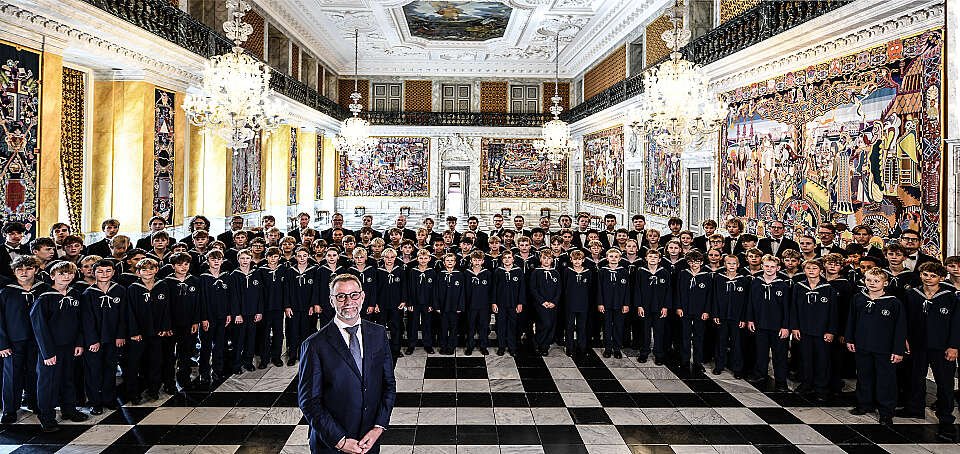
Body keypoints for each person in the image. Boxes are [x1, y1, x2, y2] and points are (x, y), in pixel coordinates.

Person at [297, 273, 396, 454]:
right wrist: (340, 441)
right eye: (341, 296)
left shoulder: (378, 333)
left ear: (363, 297)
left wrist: (378, 428)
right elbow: (309, 402)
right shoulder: (314, 345)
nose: (348, 301)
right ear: (331, 300)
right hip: (331, 444)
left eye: (354, 295)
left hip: (369, 440)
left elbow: (388, 385)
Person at [898, 262, 959, 440]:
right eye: (925, 274)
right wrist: (905, 339)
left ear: (941, 277)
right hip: (918, 345)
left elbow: (956, 324)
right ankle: (915, 408)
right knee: (915, 378)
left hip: (942, 347)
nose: (928, 278)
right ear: (920, 275)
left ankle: (946, 419)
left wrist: (954, 346)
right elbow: (905, 320)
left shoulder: (951, 297)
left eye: (933, 275)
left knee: (945, 383)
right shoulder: (912, 295)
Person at [30, 261, 89, 432]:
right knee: (48, 382)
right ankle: (46, 416)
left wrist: (79, 343)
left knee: (67, 378)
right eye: (62, 274)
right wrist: (47, 353)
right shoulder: (44, 298)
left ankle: (69, 409)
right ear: (52, 276)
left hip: (70, 346)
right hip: (49, 348)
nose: (66, 277)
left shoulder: (76, 295)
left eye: (69, 273)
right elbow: (39, 327)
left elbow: (80, 322)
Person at [846, 267, 906, 426]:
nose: (872, 283)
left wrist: (898, 350)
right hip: (862, 345)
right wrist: (850, 339)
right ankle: (864, 404)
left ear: (885, 283)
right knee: (864, 376)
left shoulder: (894, 302)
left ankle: (886, 412)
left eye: (876, 281)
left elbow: (900, 328)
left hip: (884, 348)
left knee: (885, 380)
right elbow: (851, 320)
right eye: (869, 280)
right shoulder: (858, 298)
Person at [0, 256, 48, 422]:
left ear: (35, 269)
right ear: (14, 272)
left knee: (35, 372)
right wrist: (2, 343)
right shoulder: (6, 292)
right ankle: (10, 409)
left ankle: (35, 403)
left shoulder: (45, 290)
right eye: (19, 269)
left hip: (39, 341)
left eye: (28, 268)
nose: (24, 272)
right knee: (12, 374)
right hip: (14, 341)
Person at [80, 259, 127, 414]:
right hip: (95, 341)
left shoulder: (120, 290)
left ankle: (109, 398)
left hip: (113, 339)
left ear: (113, 272)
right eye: (100, 271)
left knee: (110, 369)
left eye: (108, 271)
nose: (104, 274)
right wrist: (93, 340)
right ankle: (95, 401)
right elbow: (87, 320)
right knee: (93, 371)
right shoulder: (88, 294)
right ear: (94, 273)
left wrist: (120, 335)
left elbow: (123, 316)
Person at [790, 259, 838, 401]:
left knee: (822, 360)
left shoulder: (828, 289)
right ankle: (806, 384)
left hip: (822, 331)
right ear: (804, 270)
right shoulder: (799, 287)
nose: (811, 270)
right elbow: (794, 308)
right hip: (804, 330)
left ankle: (821, 387)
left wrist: (831, 331)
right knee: (805, 359)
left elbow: (833, 312)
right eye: (808, 268)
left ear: (821, 270)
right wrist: (795, 327)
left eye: (815, 268)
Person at [747, 255, 791, 391]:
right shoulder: (756, 283)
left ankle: (781, 380)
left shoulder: (783, 285)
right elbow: (750, 302)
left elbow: (787, 309)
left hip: (777, 326)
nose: (769, 269)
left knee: (780, 355)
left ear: (778, 268)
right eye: (766, 266)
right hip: (760, 324)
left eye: (772, 267)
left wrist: (785, 326)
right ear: (762, 266)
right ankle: (760, 374)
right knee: (761, 352)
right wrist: (750, 319)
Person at [675, 251, 713, 373]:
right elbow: (678, 291)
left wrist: (706, 311)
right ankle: (685, 361)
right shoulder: (683, 274)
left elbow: (709, 295)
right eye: (691, 262)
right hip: (685, 309)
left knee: (699, 337)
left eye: (697, 262)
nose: (694, 264)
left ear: (701, 262)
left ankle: (698, 362)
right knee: (685, 336)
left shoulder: (706, 276)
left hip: (700, 311)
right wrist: (679, 307)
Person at [635, 248, 672, 365]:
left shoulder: (664, 273)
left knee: (659, 331)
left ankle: (658, 354)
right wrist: (639, 305)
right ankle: (644, 353)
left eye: (655, 257)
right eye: (650, 257)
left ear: (659, 259)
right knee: (644, 331)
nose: (652, 259)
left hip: (659, 307)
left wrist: (665, 306)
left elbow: (668, 291)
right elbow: (637, 290)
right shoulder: (640, 272)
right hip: (645, 307)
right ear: (646, 258)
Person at [597, 248, 630, 359]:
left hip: (619, 304)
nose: (613, 258)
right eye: (611, 256)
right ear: (607, 258)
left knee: (618, 326)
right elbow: (599, 289)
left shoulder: (624, 271)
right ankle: (607, 348)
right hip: (606, 304)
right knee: (606, 327)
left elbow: (627, 289)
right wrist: (600, 303)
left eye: (616, 256)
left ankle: (617, 348)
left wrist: (626, 304)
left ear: (620, 258)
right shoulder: (602, 271)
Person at [492, 252, 524, 356]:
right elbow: (494, 288)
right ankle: (501, 347)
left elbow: (522, 289)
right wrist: (494, 302)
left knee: (512, 326)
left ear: (513, 259)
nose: (507, 259)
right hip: (501, 304)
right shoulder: (498, 271)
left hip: (513, 304)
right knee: (500, 325)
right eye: (504, 258)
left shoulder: (518, 271)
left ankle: (512, 347)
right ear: (501, 260)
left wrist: (520, 303)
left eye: (509, 257)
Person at [529, 249, 561, 356]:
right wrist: (542, 301)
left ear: (552, 260)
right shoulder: (536, 272)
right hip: (540, 304)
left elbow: (559, 289)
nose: (546, 261)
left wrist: (554, 302)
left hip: (553, 304)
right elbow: (533, 289)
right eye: (544, 258)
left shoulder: (555, 272)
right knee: (544, 324)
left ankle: (545, 346)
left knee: (551, 324)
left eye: (549, 258)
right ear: (540, 259)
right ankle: (538, 342)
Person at [464, 251, 491, 356]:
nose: (477, 262)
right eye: (475, 260)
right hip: (470, 305)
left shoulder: (487, 273)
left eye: (479, 260)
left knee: (483, 326)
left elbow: (490, 290)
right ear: (471, 261)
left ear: (483, 261)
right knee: (470, 326)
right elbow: (463, 290)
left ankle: (483, 346)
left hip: (484, 306)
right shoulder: (466, 273)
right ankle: (470, 346)